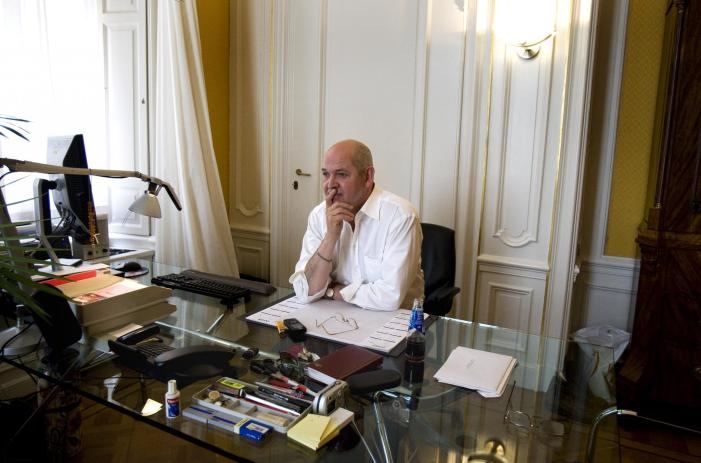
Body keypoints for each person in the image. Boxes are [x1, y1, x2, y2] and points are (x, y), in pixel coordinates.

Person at [289, 139, 424, 310]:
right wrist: (330, 237)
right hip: (334, 315)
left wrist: (332, 291)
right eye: (326, 174)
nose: (330, 184)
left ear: (368, 176)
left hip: (393, 320)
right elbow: (305, 291)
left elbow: (390, 296)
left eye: (341, 174)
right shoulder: (318, 215)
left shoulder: (401, 216)